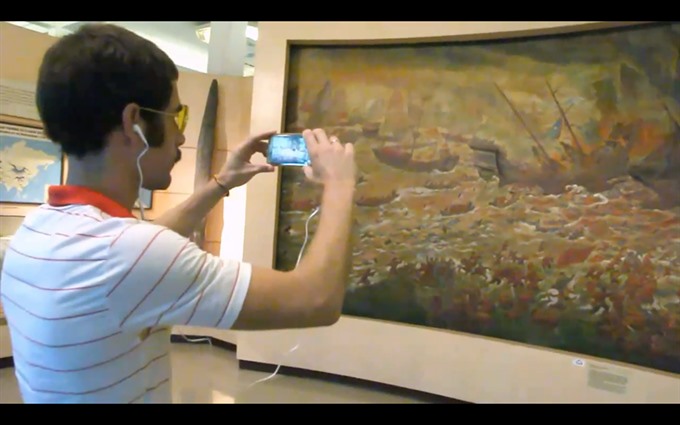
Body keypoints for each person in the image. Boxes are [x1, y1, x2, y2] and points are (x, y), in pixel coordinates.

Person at [0, 23, 356, 403]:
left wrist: (219, 183)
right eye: (177, 116)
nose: (182, 136)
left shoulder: (36, 233)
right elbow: (316, 299)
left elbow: (141, 247)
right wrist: (340, 185)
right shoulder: (123, 255)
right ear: (132, 121)